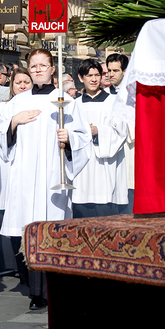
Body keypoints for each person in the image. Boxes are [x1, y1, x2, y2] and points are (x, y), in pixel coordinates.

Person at [0, 49, 91, 310]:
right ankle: (36, 291)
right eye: (33, 66)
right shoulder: (18, 101)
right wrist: (13, 122)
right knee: (29, 230)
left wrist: (69, 139)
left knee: (50, 229)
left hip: (51, 175)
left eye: (42, 66)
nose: (37, 70)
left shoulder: (65, 101)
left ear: (52, 69)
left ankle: (52, 287)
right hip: (24, 176)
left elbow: (83, 137)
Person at [0, 67, 31, 278]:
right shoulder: (2, 108)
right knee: (7, 213)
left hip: (29, 169)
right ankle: (9, 263)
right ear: (11, 85)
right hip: (5, 167)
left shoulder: (39, 106)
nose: (22, 86)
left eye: (26, 82)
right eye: (18, 82)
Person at [70, 60, 128, 218]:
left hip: (106, 167)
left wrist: (98, 132)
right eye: (89, 76)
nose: (94, 79)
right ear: (81, 78)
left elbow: (121, 132)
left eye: (97, 75)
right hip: (82, 172)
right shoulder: (74, 105)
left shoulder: (114, 102)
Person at [106, 53, 134, 213]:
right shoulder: (104, 94)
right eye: (109, 70)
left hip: (129, 145)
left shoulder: (133, 94)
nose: (111, 74)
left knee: (128, 183)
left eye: (115, 70)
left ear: (124, 71)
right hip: (109, 145)